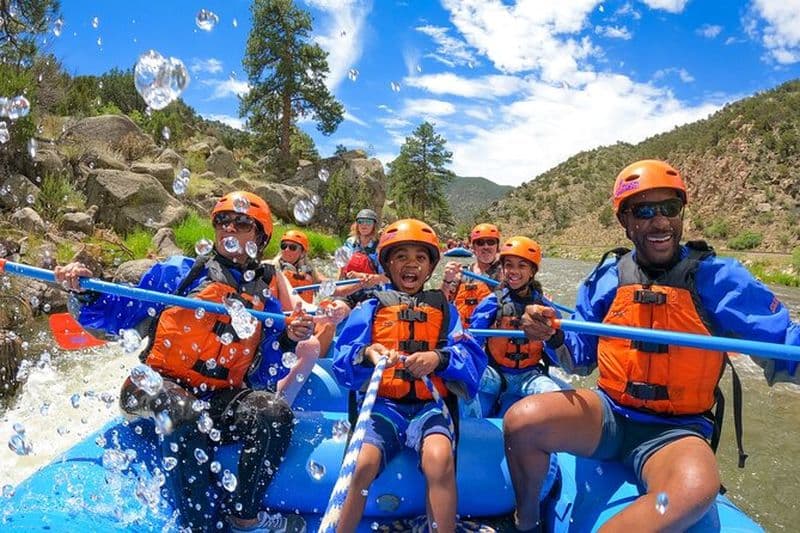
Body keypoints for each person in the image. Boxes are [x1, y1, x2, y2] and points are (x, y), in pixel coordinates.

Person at [503, 160, 800, 532]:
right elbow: (579, 359)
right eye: (644, 211)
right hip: (609, 415)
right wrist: (553, 336)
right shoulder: (606, 280)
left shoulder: (720, 279)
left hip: (676, 430)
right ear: (625, 222)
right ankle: (525, 522)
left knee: (695, 488)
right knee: (522, 420)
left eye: (670, 209)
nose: (660, 222)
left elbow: (785, 345)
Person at [55, 191, 313, 533]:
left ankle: (244, 517)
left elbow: (266, 372)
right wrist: (83, 291)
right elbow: (116, 312)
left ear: (260, 237)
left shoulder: (264, 301)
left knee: (274, 412)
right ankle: (199, 527)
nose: (229, 229)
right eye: (222, 221)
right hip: (150, 389)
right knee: (182, 409)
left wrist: (287, 339)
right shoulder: (178, 274)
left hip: (215, 399)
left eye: (242, 223)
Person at [331, 219, 487, 532]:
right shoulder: (369, 308)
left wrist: (437, 359)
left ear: (430, 268)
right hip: (383, 407)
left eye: (420, 257)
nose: (411, 264)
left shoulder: (445, 310)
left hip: (430, 407)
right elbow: (342, 360)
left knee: (439, 458)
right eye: (401, 256)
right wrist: (368, 354)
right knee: (361, 464)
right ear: (387, 264)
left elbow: (471, 358)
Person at [469, 236, 570, 417]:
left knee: (557, 401)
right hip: (495, 375)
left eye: (521, 266)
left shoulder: (546, 308)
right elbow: (473, 343)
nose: (514, 271)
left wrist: (551, 336)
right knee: (462, 382)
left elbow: (557, 359)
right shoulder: (492, 303)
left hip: (530, 376)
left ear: (532, 271)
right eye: (509, 265)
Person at [442, 223, 503, 328]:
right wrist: (446, 280)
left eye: (491, 242)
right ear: (473, 247)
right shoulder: (461, 274)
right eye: (480, 243)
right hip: (465, 336)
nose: (486, 246)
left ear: (497, 246)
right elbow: (442, 302)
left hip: (491, 336)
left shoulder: (505, 273)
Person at [275, 229, 326, 304]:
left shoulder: (310, 270)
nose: (286, 250)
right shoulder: (273, 266)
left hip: (305, 312)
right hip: (281, 313)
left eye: (292, 247)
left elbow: (328, 283)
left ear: (302, 253)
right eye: (284, 246)